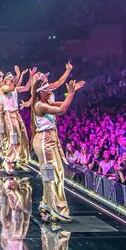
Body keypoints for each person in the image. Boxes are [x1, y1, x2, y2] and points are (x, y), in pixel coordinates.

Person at [31, 77, 83, 224]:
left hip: (50, 139)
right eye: (46, 90)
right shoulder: (39, 105)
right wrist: (70, 93)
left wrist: (72, 93)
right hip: (44, 142)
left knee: (58, 173)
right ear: (39, 92)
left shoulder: (47, 102)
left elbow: (63, 104)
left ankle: (46, 202)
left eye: (50, 89)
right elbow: (62, 110)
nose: (50, 92)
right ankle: (57, 209)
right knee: (50, 175)